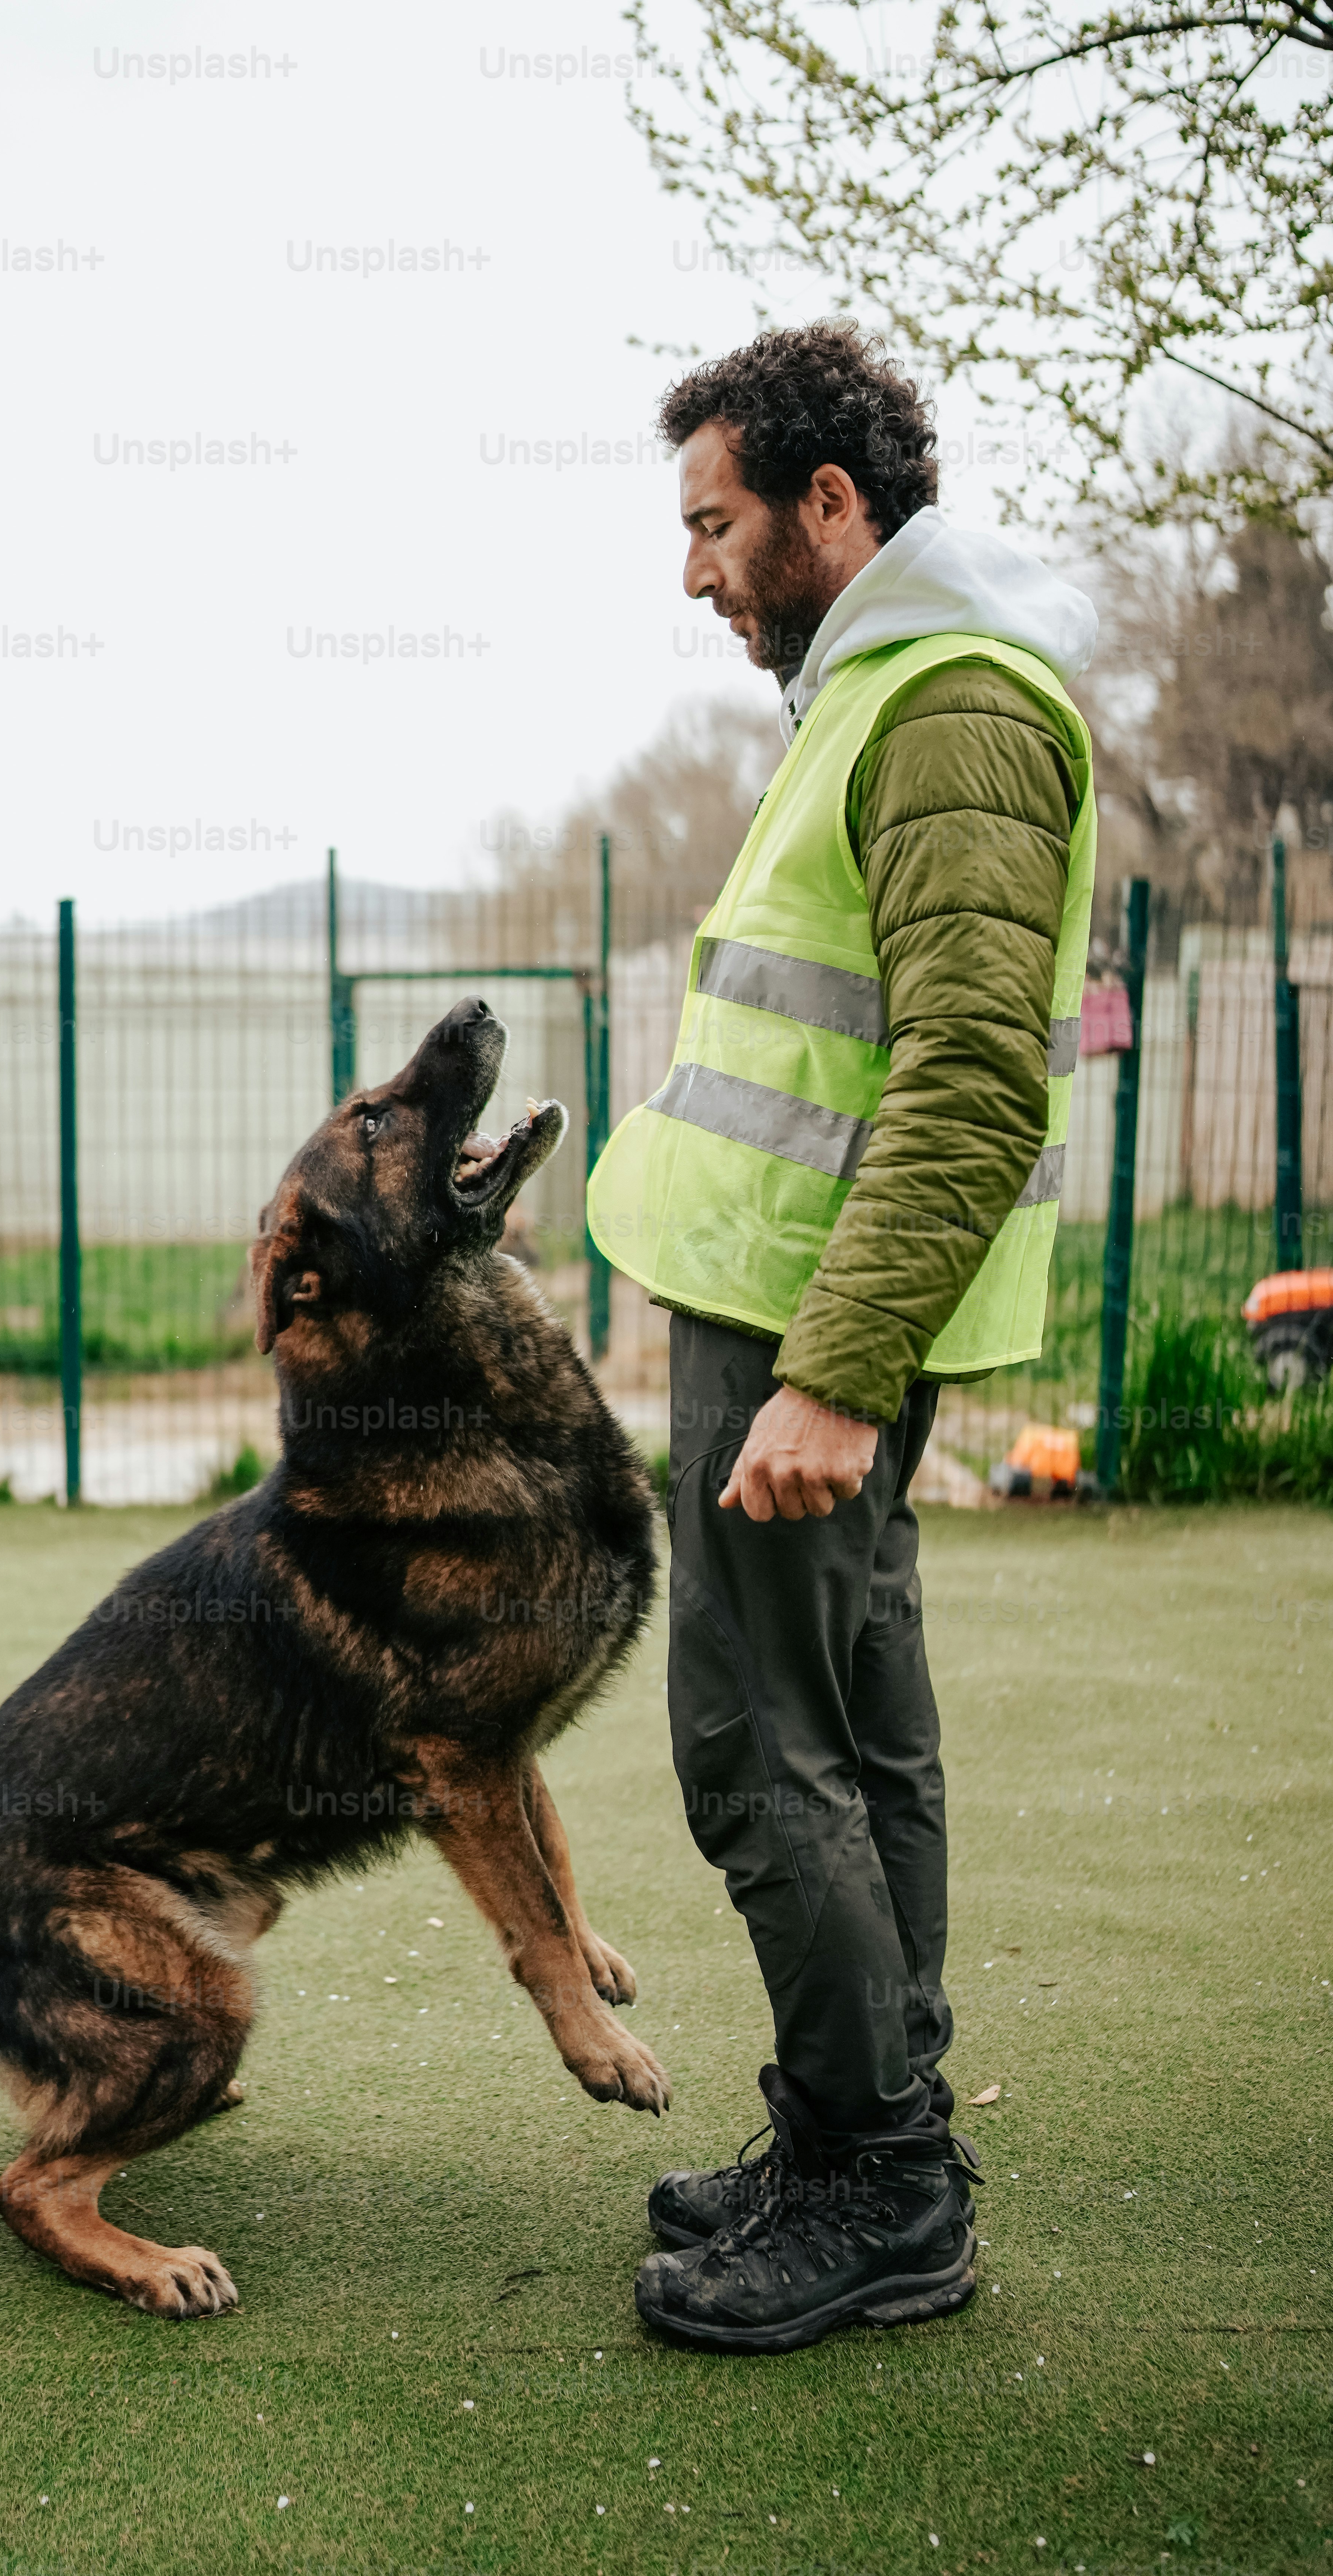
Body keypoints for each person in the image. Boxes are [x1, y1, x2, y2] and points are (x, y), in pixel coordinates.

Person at [584, 323, 1098, 2353]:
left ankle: (881, 2185)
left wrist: (830, 1372)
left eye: (713, 523)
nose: (694, 570)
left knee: (757, 1747)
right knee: (861, 1731)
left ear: (828, 505)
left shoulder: (951, 706)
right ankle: (860, 2133)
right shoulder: (879, 689)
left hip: (813, 1324)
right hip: (798, 1304)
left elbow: (972, 1080)